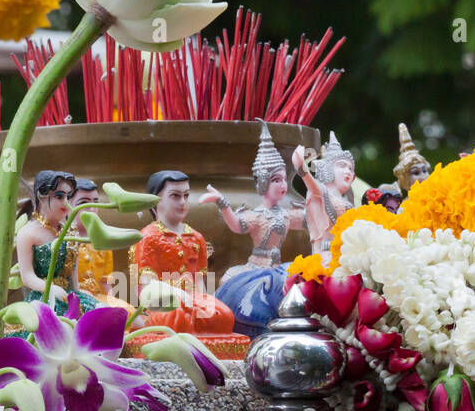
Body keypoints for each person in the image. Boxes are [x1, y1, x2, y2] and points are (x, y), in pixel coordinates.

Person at [203, 120, 306, 336]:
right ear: (262, 183)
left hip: (278, 268)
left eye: (283, 179)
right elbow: (237, 226)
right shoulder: (257, 215)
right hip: (256, 267)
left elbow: (309, 221)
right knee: (229, 282)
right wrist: (222, 204)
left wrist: (318, 197)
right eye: (275, 180)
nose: (283, 185)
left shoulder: (287, 213)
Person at [130, 169, 237, 335]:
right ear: (155, 201)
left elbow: (200, 282)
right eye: (175, 196)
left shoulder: (196, 238)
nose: (182, 202)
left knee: (224, 316)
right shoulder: (147, 237)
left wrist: (205, 303)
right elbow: (146, 287)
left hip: (193, 301)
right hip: (162, 304)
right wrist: (177, 294)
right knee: (178, 318)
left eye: (186, 196)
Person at [14, 169, 98, 316]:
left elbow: (72, 273)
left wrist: (79, 293)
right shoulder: (27, 233)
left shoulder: (70, 230)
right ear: (42, 196)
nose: (66, 202)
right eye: (59, 196)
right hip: (44, 298)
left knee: (101, 312)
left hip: (69, 295)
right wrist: (49, 288)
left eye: (68, 196)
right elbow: (27, 277)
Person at [70, 177, 134, 313]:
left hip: (99, 298)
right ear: (68, 205)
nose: (92, 209)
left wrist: (112, 302)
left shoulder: (103, 238)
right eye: (84, 203)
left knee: (132, 316)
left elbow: (106, 281)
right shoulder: (63, 240)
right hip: (72, 299)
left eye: (96, 202)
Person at [292, 129, 356, 254]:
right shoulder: (322, 192)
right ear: (327, 169)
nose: (348, 171)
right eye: (342, 166)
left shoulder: (346, 201)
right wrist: (301, 166)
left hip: (345, 254)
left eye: (351, 168)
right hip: (325, 254)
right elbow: (308, 180)